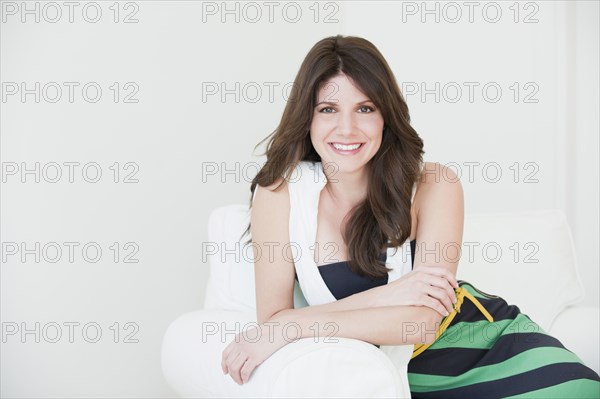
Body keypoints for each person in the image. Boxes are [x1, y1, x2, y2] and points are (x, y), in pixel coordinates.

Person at [221, 34, 600, 397]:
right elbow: (272, 321)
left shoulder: (435, 183)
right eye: (328, 109)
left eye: (365, 108)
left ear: (386, 117)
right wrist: (393, 295)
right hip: (405, 380)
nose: (347, 128)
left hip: (497, 349)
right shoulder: (279, 193)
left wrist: (294, 323)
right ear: (307, 118)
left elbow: (421, 322)